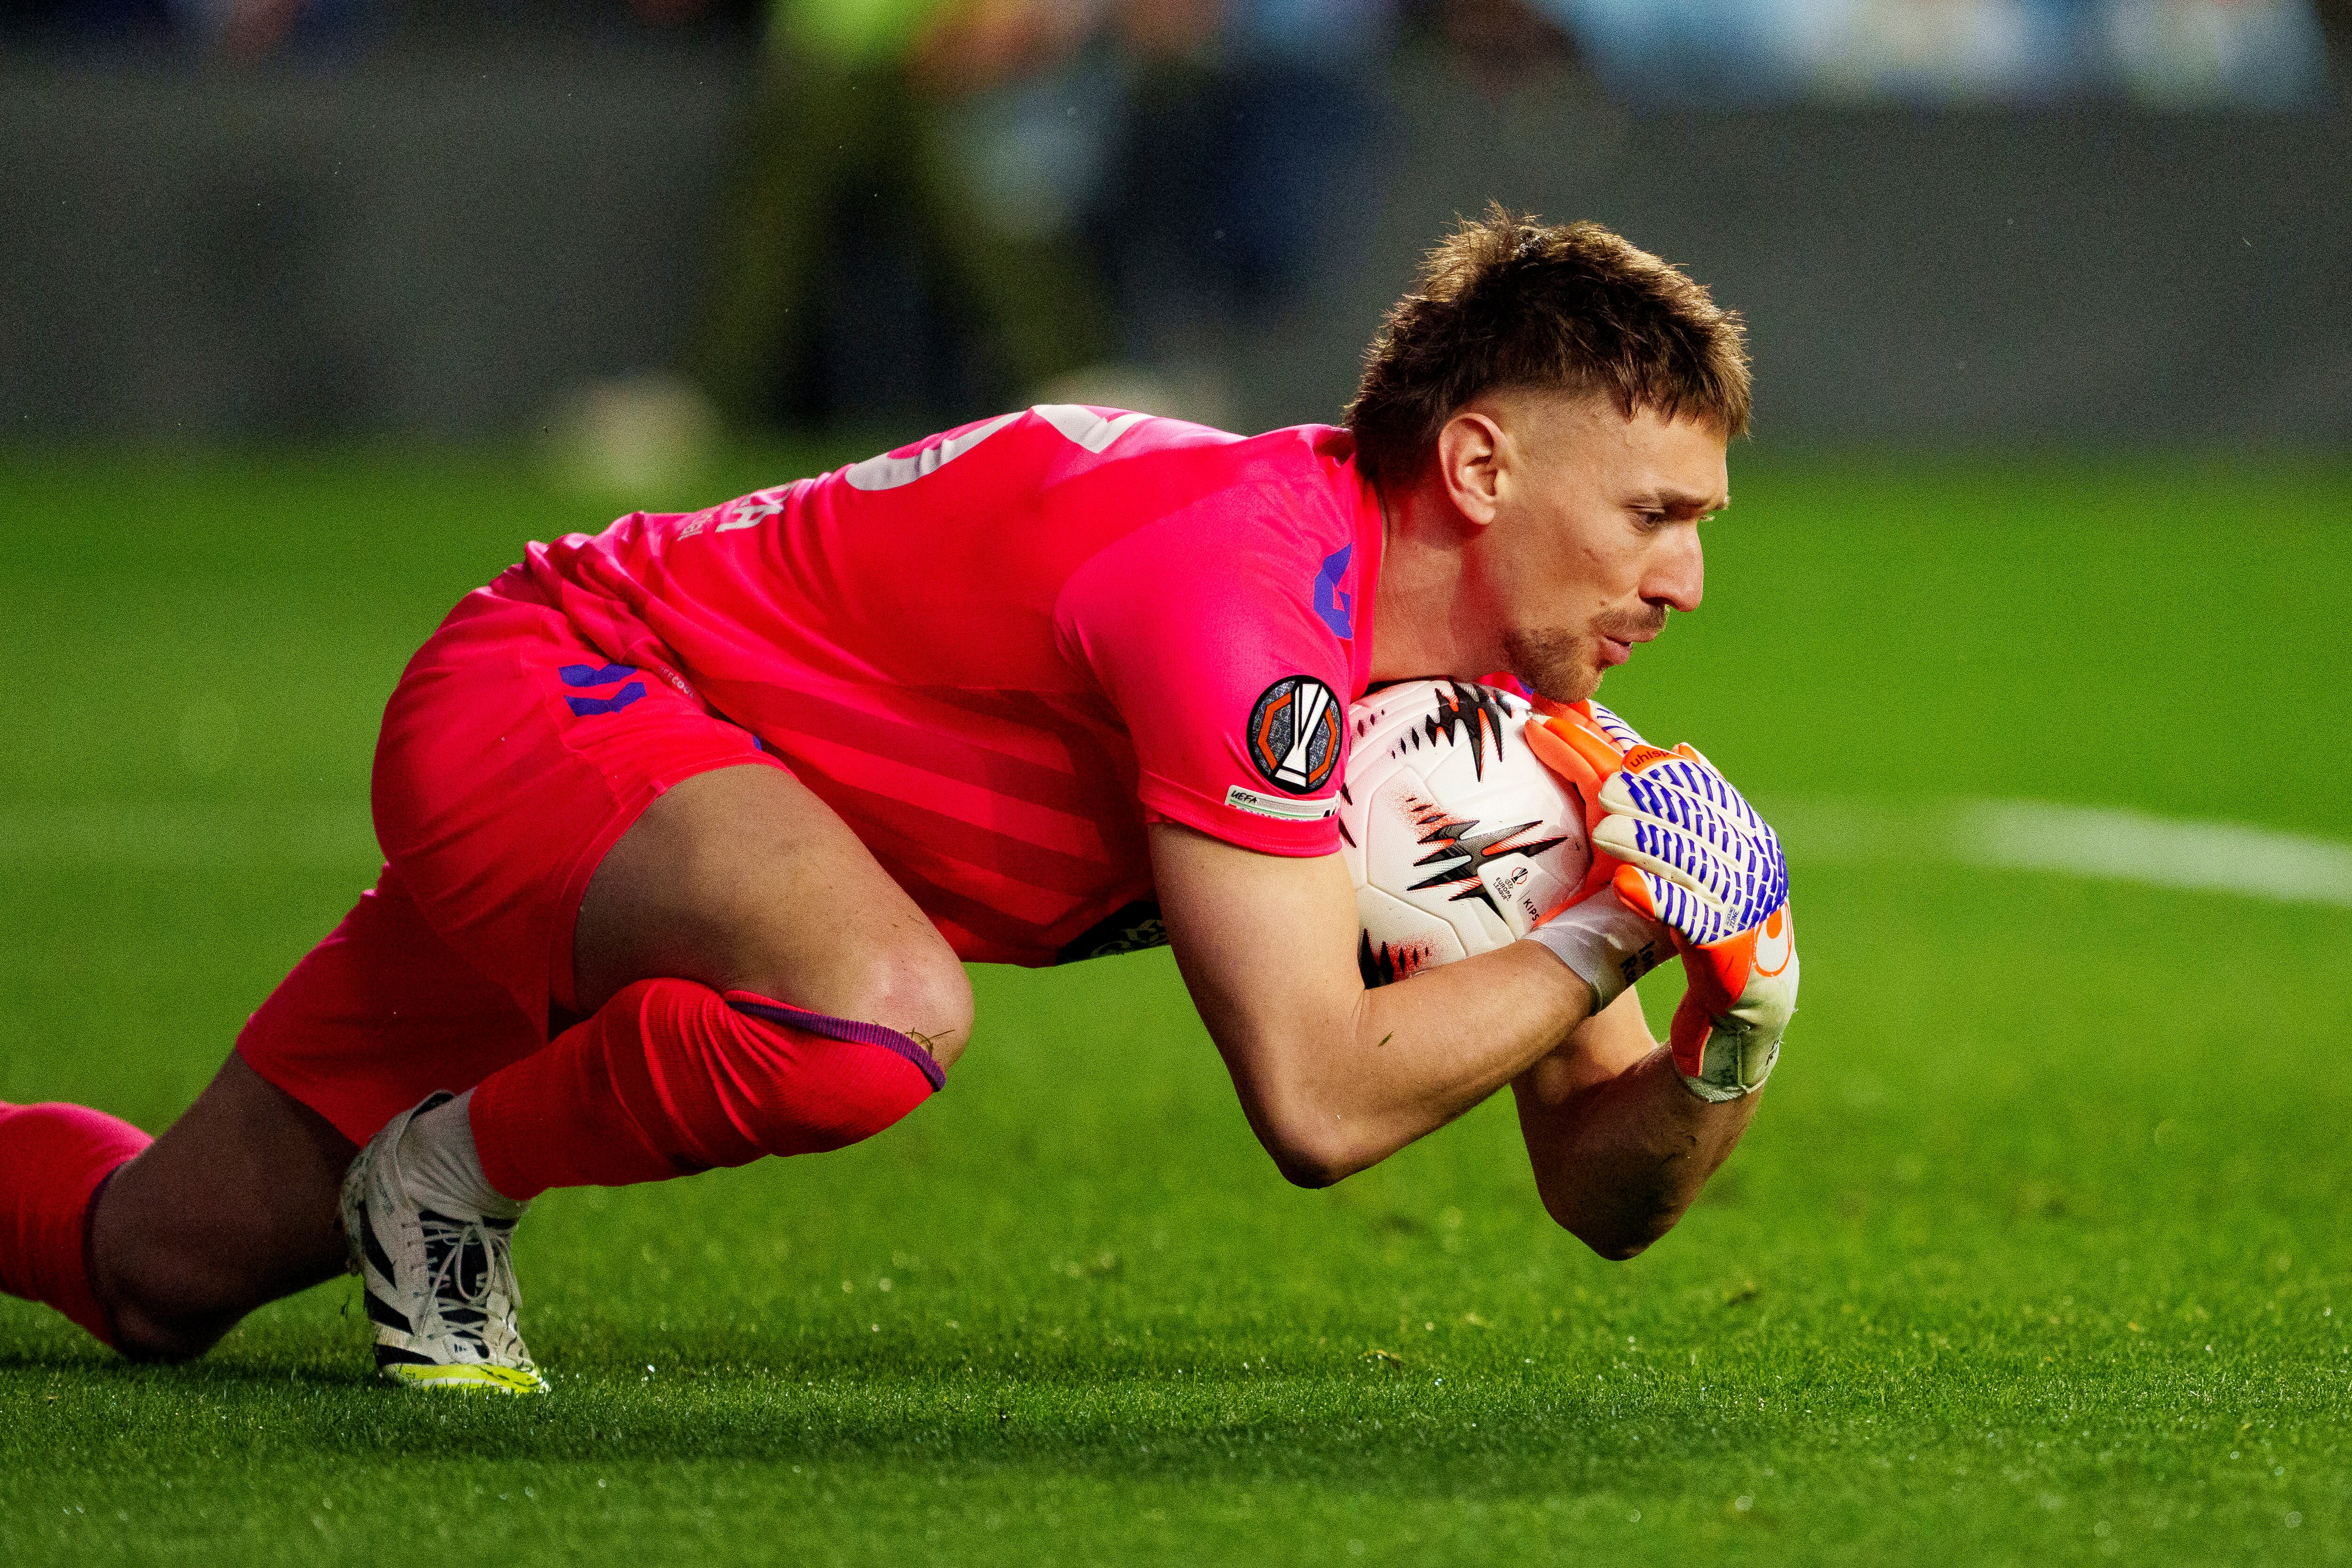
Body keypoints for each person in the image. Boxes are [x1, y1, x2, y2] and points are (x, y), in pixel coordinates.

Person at [0, 209, 1794, 1393]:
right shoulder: (1243, 608)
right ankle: (446, 1183)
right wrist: (1617, 921)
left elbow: (1598, 1192)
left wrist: (1737, 1013)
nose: (1688, 585)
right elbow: (1320, 1104)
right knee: (874, 1012)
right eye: (1658, 517)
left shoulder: (1484, 736)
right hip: (563, 702)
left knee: (154, 1270)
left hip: (712, 834)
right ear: (1479, 464)